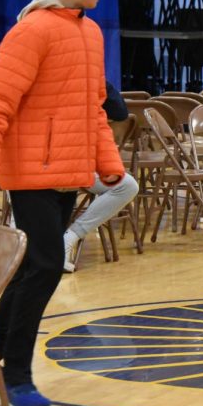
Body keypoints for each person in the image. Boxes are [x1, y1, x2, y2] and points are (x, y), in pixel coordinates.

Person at [0, 0, 125, 406]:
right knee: (49, 265)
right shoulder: (31, 31)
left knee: (35, 267)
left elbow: (93, 108)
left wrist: (108, 164)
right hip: (30, 174)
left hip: (68, 173)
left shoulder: (89, 32)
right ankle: (13, 377)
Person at [63, 81, 139, 273]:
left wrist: (97, 81)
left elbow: (120, 111)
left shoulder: (90, 81)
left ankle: (72, 236)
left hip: (81, 164)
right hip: (41, 167)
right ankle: (22, 247)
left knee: (128, 185)